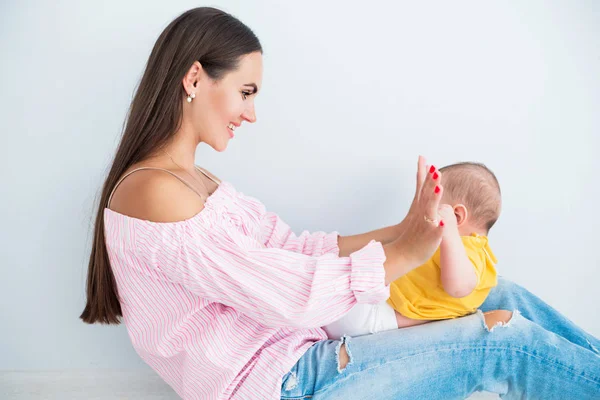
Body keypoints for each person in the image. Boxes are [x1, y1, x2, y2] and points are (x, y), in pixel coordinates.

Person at [80, 7, 600, 400]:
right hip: (284, 382)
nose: (252, 113)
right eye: (246, 91)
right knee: (501, 339)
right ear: (195, 78)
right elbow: (285, 294)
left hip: (307, 345)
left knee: (493, 290)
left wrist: (403, 231)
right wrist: (405, 253)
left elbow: (293, 249)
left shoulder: (195, 181)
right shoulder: (155, 192)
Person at [324, 162, 502, 338]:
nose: (427, 211)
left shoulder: (471, 250)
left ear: (456, 216)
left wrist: (450, 233)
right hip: (371, 303)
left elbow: (459, 287)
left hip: (374, 315)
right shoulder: (450, 242)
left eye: (434, 206)